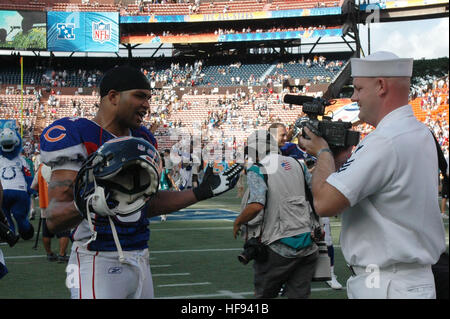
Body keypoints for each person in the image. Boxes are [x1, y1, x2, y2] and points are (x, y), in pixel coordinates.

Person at [40, 65, 242, 299]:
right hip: (97, 257)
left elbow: (148, 203)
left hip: (140, 256)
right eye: (140, 96)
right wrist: (95, 203)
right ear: (113, 97)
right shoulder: (78, 133)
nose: (147, 105)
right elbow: (55, 218)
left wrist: (200, 193)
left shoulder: (143, 139)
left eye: (148, 98)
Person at [298, 51, 447, 299]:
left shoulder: (386, 139)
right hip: (404, 280)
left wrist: (322, 152)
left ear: (381, 86)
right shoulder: (418, 131)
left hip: (388, 284)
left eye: (358, 88)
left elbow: (325, 204)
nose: (354, 97)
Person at [233, 129, 320, 299]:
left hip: (276, 245)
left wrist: (238, 222)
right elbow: (314, 195)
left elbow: (256, 205)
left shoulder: (258, 168)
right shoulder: (298, 164)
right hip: (307, 243)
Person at [31, 163, 70, 263]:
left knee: (46, 232)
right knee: (64, 232)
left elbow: (34, 186)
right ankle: (62, 254)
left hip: (46, 205)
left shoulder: (41, 168)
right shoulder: (63, 166)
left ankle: (49, 253)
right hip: (60, 203)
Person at [440, 147, 449, 219]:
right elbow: (446, 171)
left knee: (446, 196)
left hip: (446, 178)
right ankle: (442, 212)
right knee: (444, 196)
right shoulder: (447, 158)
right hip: (446, 179)